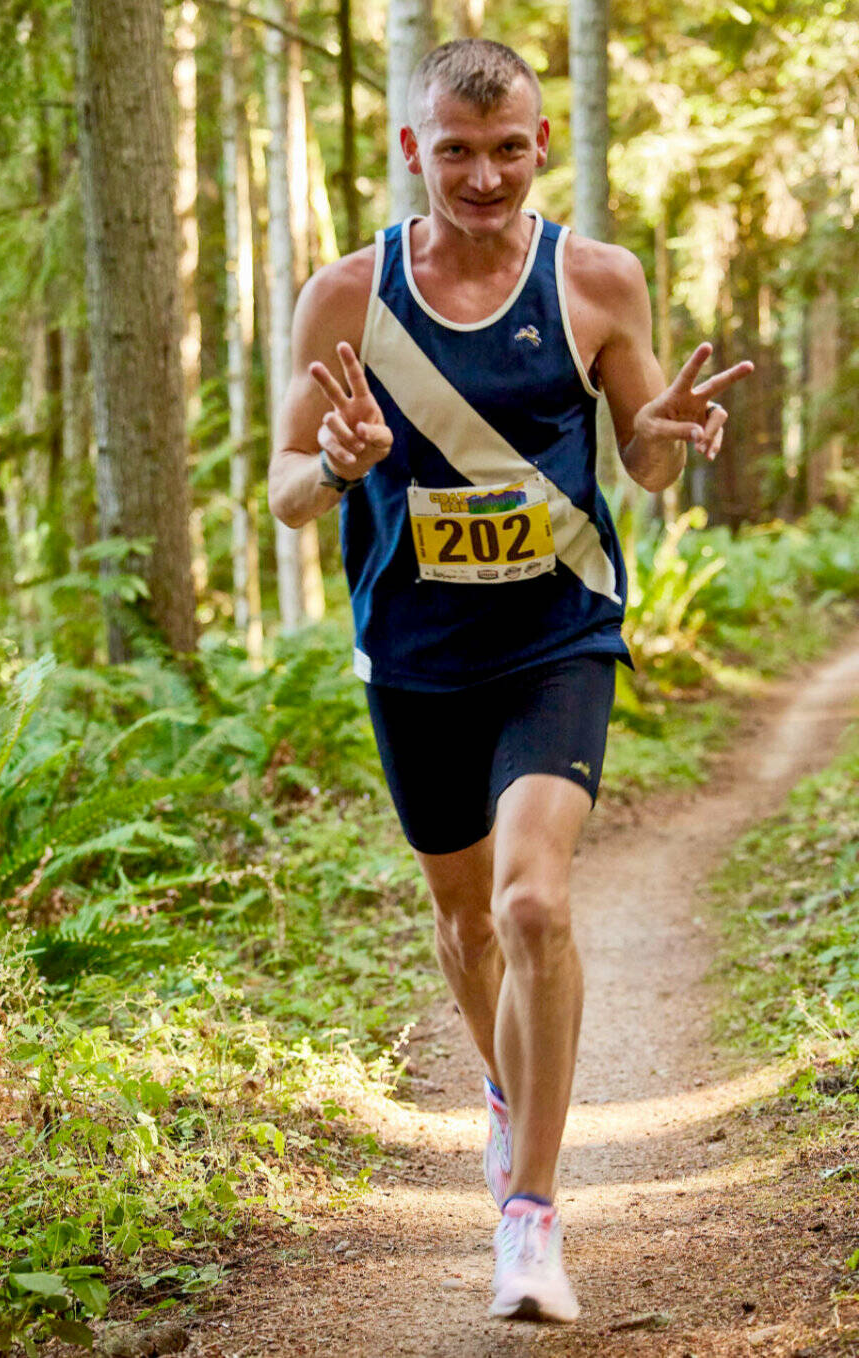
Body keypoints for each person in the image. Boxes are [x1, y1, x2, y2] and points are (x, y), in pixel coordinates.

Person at [268, 37, 751, 1324]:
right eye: (458, 151)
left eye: (510, 149)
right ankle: (504, 1087)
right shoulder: (343, 297)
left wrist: (663, 435)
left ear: (541, 147)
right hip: (415, 656)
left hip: (558, 637)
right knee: (469, 920)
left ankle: (530, 1215)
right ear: (416, 150)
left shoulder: (596, 280)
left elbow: (644, 461)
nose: (484, 176)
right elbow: (284, 496)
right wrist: (337, 461)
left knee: (535, 900)